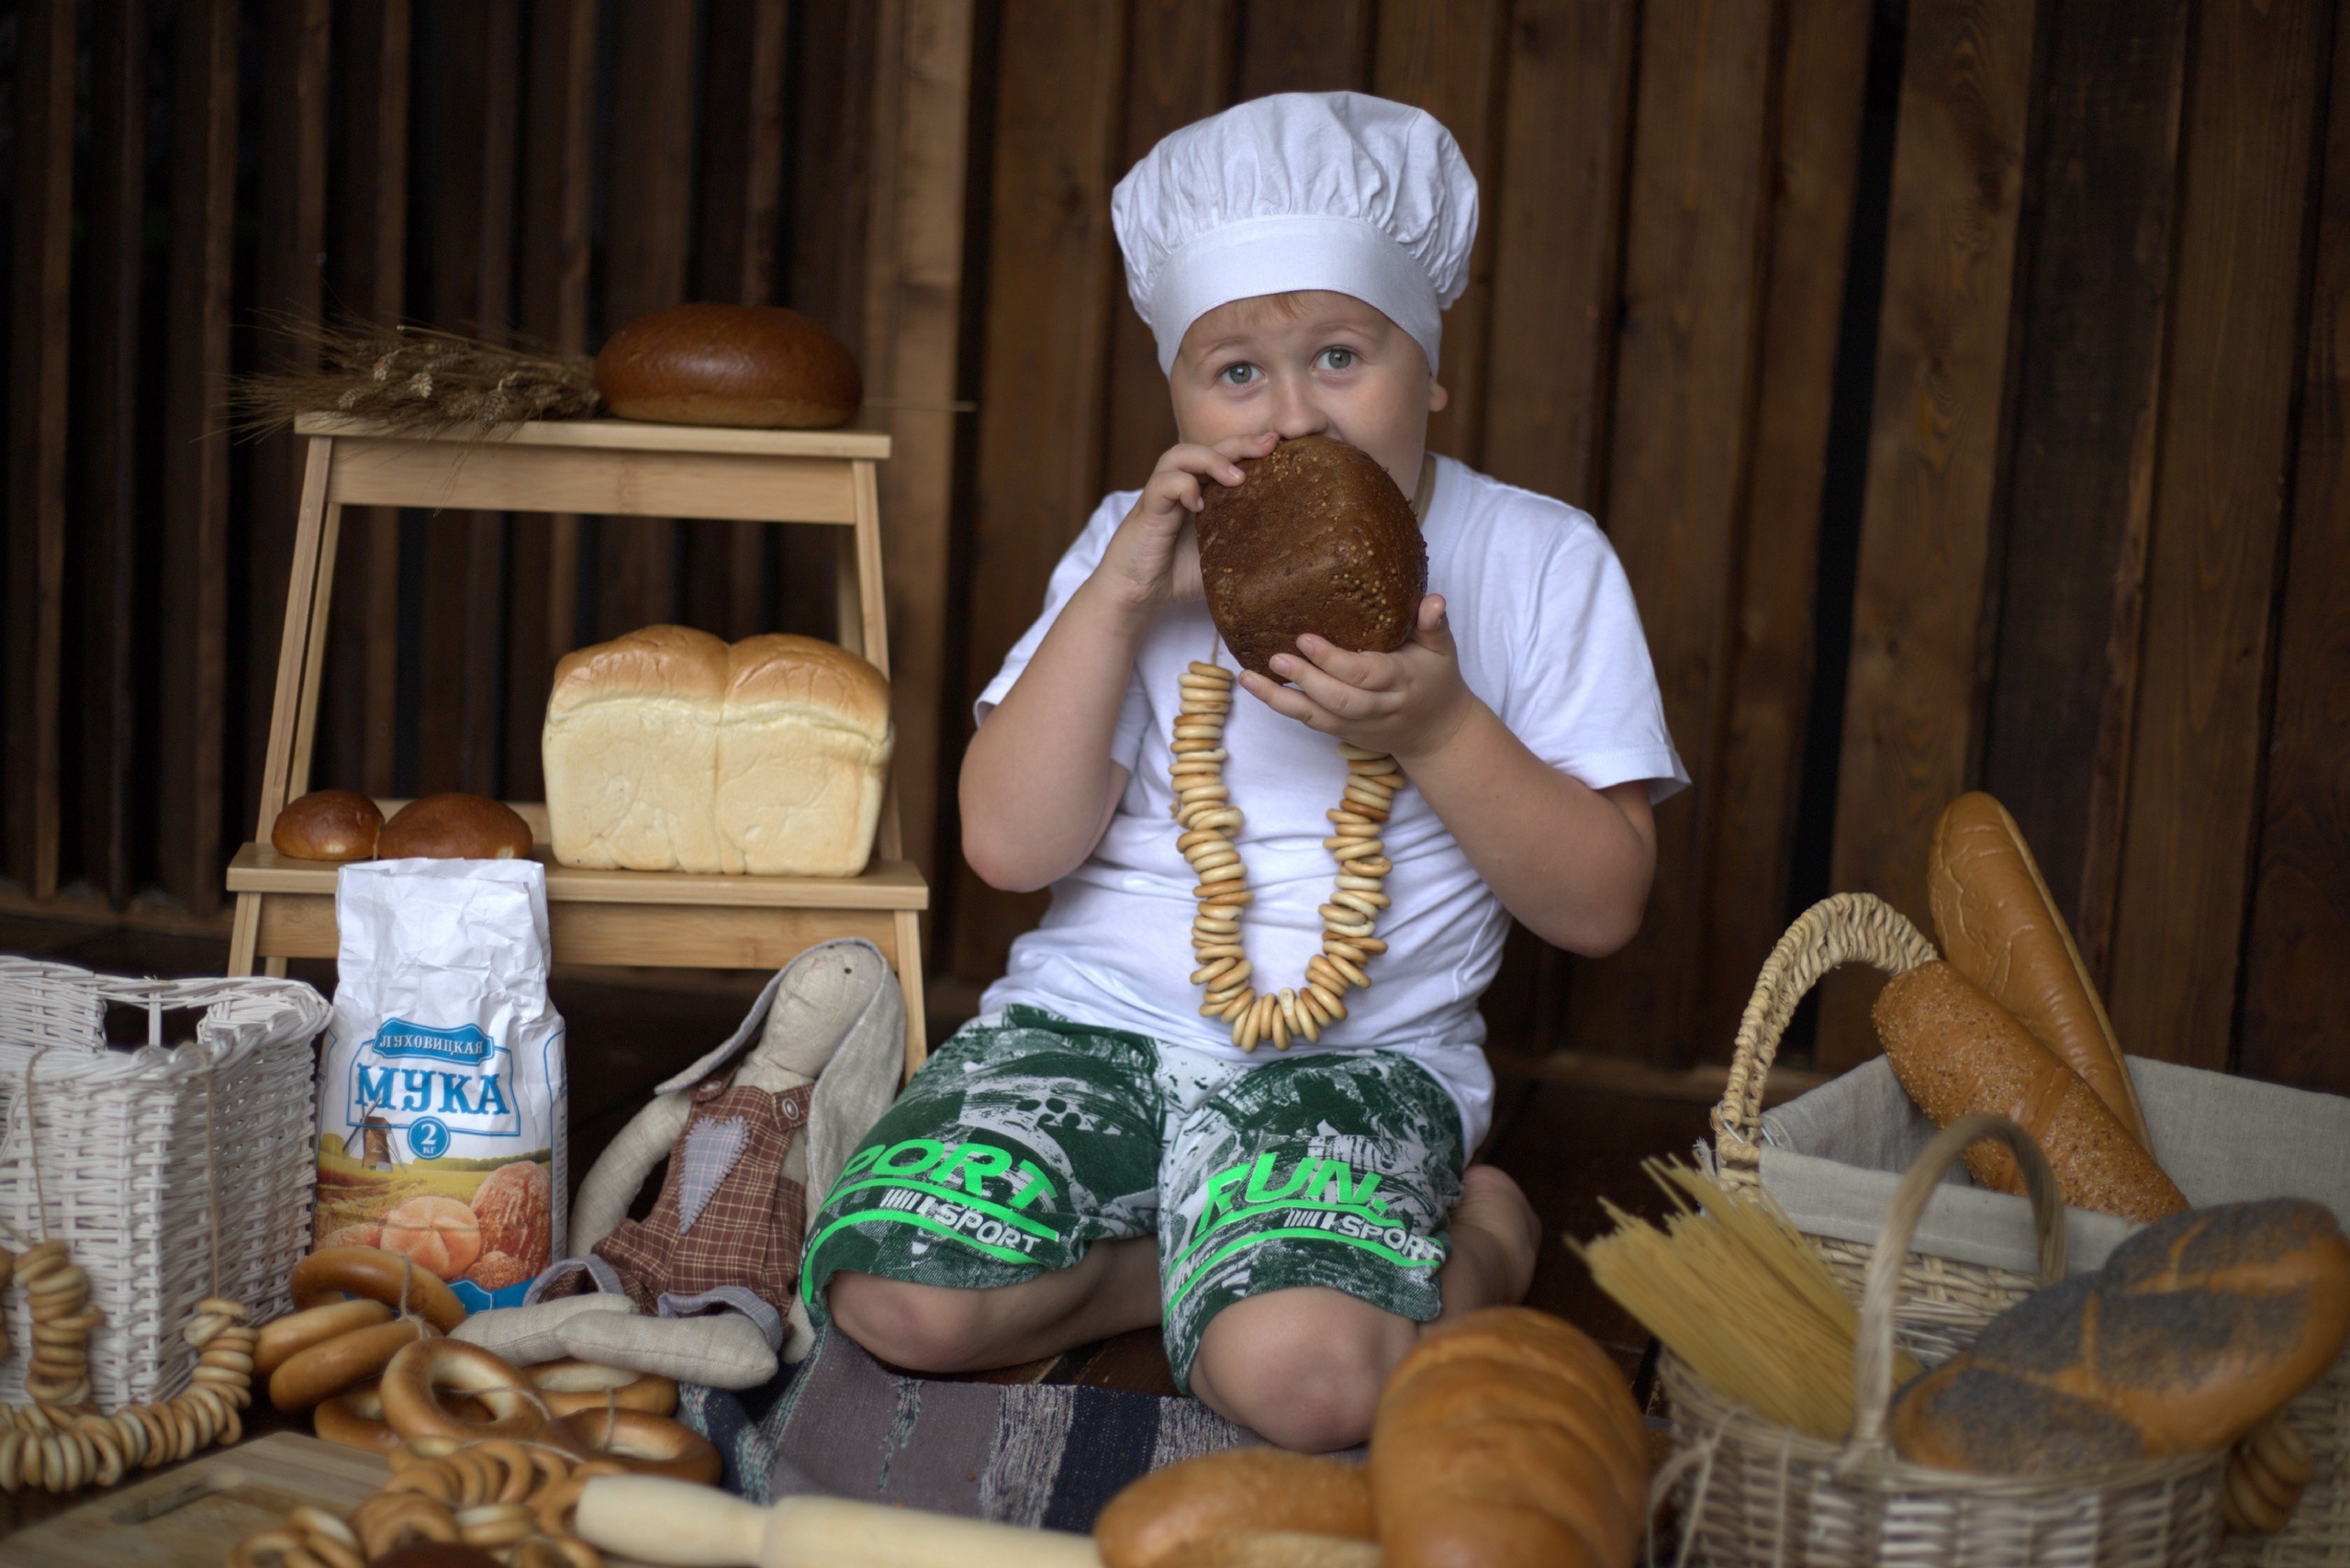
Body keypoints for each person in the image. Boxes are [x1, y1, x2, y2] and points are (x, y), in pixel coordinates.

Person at [800, 92, 1685, 1451]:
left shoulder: (1542, 557)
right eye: (1235, 374)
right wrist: (1114, 601)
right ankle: (1190, 1270)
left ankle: (1471, 1241)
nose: (1290, 414)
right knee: (895, 1296)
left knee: (1307, 1385)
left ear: (1432, 368)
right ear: (1176, 397)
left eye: (1342, 354)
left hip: (1357, 1057)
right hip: (1087, 1031)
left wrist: (1441, 732)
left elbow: (1604, 902)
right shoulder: (1127, 550)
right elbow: (1007, 848)